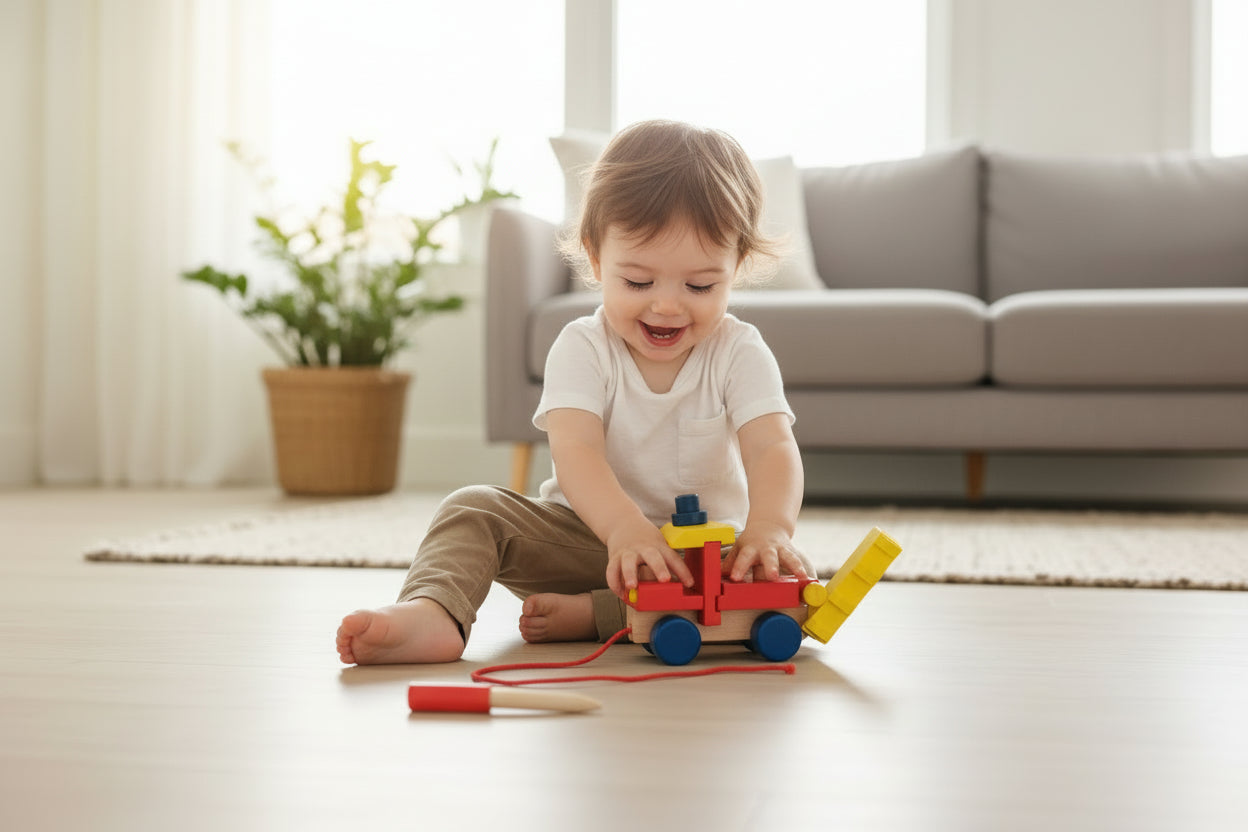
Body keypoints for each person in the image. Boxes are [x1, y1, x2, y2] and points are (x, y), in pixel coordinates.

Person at [336, 120, 812, 665]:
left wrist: (770, 529)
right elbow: (575, 449)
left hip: (703, 556)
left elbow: (772, 446)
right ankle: (435, 612)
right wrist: (624, 530)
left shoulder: (740, 350)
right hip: (587, 537)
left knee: (776, 571)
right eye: (637, 282)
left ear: (738, 267)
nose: (666, 306)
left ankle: (596, 615)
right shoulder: (582, 347)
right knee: (472, 507)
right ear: (594, 258)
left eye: (701, 286)